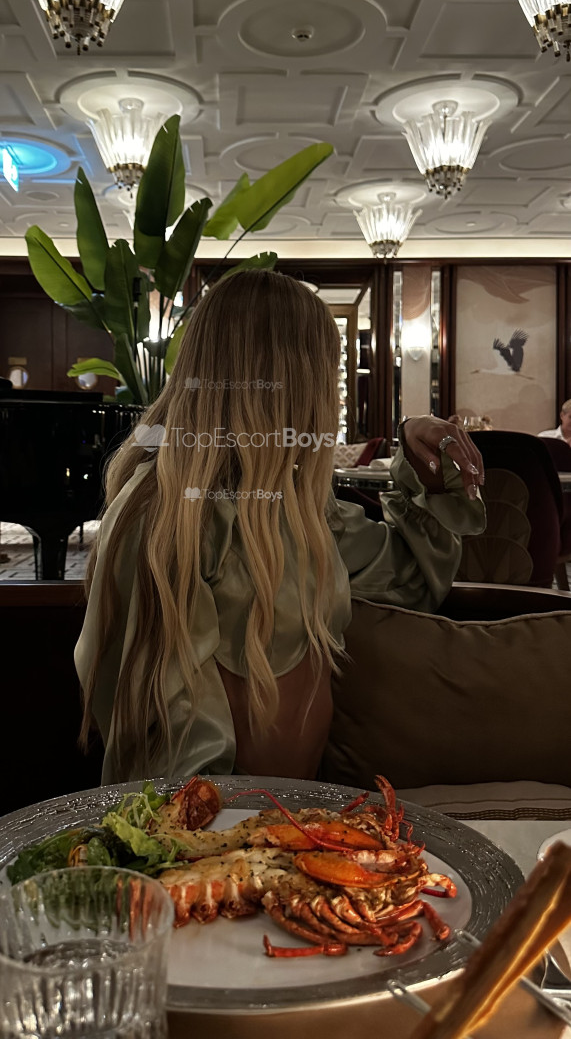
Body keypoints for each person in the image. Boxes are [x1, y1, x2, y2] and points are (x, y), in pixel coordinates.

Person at [75, 271, 485, 784]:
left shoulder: (299, 510)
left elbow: (412, 579)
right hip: (224, 822)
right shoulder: (166, 516)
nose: (334, 400)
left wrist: (418, 455)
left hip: (293, 812)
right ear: (298, 382)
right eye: (327, 374)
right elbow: (173, 746)